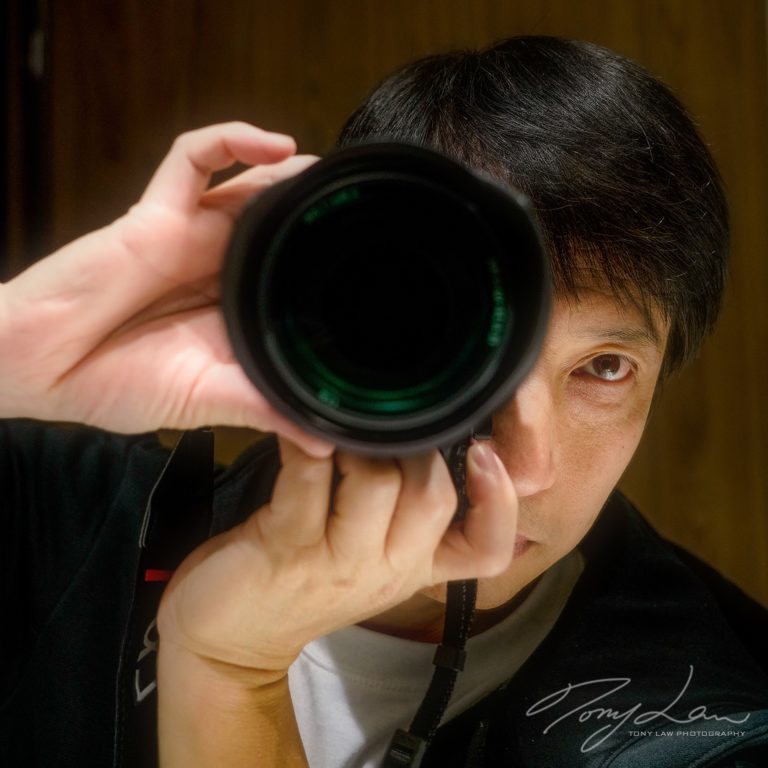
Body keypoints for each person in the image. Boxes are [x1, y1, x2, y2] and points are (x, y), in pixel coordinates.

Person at [1, 36, 767, 768]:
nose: (529, 467)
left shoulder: (718, 716)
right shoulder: (74, 533)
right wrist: (24, 346)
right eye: (473, 344)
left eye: (604, 367)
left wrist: (232, 670)